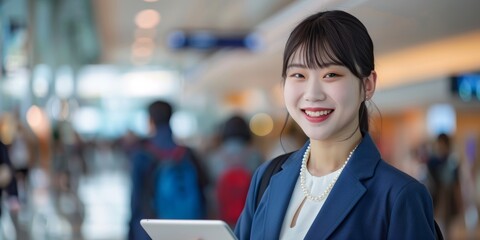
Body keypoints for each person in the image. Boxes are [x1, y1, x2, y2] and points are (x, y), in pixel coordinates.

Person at [234, 10, 437, 239]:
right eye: (299, 75)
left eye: (330, 75)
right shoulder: (267, 178)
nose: (312, 94)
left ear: (367, 85)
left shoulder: (398, 197)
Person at [128, 100, 208, 240]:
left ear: (150, 120)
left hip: (152, 228)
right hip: (187, 229)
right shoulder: (188, 154)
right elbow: (204, 192)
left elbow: (136, 200)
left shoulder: (142, 155)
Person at [206, 115, 263, 225]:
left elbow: (210, 187)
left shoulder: (214, 156)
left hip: (222, 214)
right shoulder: (255, 155)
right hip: (248, 212)